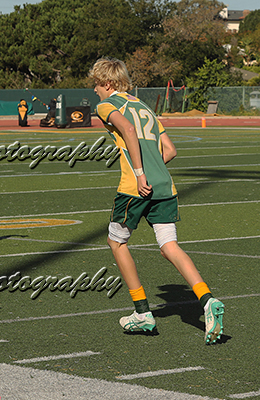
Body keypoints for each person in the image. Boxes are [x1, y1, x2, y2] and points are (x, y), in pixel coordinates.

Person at [90, 57, 225, 344]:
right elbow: (170, 150)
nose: (95, 90)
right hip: (165, 185)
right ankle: (207, 299)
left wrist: (141, 174)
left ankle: (142, 312)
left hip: (136, 187)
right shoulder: (145, 107)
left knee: (117, 242)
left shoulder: (107, 105)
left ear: (108, 83)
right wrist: (153, 171)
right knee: (169, 247)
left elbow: (128, 131)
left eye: (97, 84)